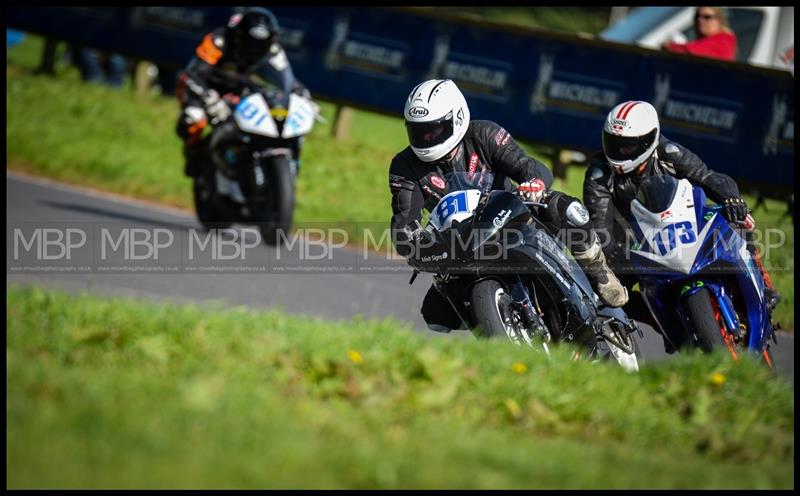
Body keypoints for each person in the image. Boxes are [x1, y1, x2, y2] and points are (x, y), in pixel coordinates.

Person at [389, 79, 628, 332]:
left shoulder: (484, 134)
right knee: (435, 315)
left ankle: (599, 273)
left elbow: (528, 166)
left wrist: (533, 183)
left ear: (456, 118)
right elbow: (405, 219)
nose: (425, 139)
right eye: (417, 131)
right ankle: (498, 327)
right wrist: (412, 242)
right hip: (460, 242)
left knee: (566, 209)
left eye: (433, 130)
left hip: (512, 217)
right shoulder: (404, 166)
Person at [583, 100, 781, 321]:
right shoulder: (599, 176)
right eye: (614, 143)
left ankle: (763, 285)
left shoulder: (669, 152)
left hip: (685, 223)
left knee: (738, 220)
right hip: (637, 244)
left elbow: (707, 177)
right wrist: (610, 259)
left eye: (628, 145)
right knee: (601, 290)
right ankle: (661, 324)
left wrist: (731, 198)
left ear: (649, 139)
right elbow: (600, 225)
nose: (620, 150)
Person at [175, 7, 309, 178]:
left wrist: (302, 95)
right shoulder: (218, 40)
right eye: (250, 42)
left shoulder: (273, 50)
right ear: (239, 36)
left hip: (239, 88)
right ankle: (192, 153)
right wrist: (209, 99)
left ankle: (269, 161)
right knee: (194, 117)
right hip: (205, 87)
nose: (254, 49)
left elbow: (288, 81)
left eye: (260, 44)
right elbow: (192, 75)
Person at [663, 7, 737, 62]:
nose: (700, 20)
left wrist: (669, 47)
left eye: (707, 17)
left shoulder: (725, 39)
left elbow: (690, 51)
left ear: (719, 20)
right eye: (697, 16)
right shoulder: (705, 41)